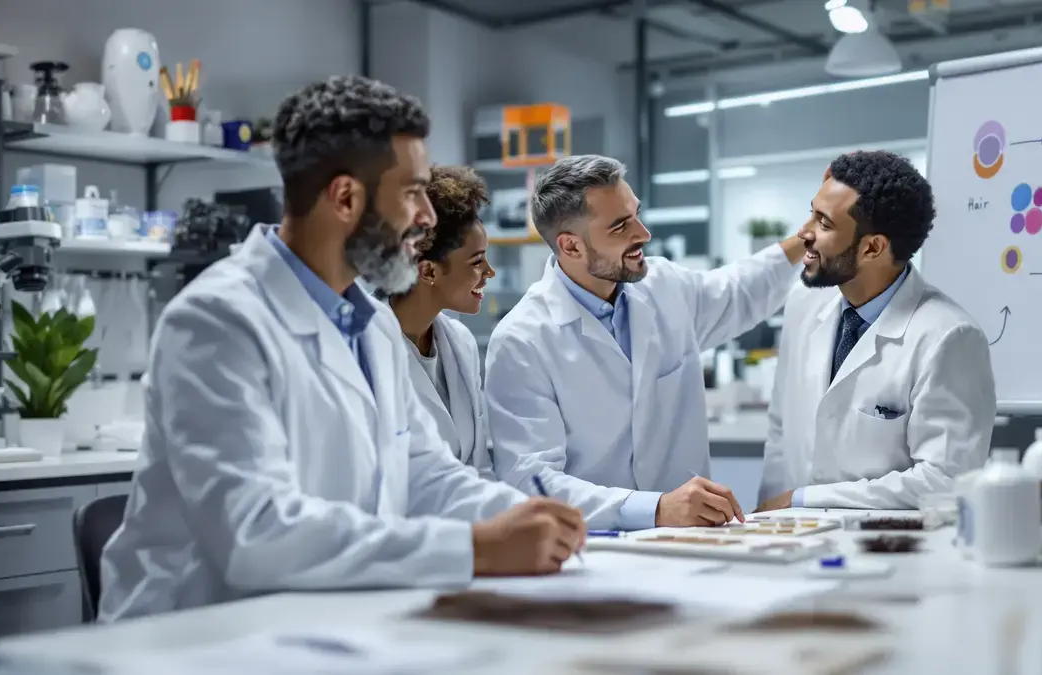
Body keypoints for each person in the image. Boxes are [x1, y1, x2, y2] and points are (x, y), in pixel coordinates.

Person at [98, 76, 585, 622]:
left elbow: (426, 475)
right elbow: (255, 533)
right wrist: (474, 549)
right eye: (411, 192)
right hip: (191, 639)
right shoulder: (217, 321)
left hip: (321, 623)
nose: (426, 216)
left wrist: (531, 519)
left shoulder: (372, 324)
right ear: (346, 197)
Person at [484, 154, 805, 531]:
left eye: (636, 213)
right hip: (596, 551)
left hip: (693, 541)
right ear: (571, 247)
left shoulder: (665, 287)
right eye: (621, 226)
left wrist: (806, 238)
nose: (643, 234)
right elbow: (532, 480)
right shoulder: (522, 340)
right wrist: (654, 509)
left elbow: (740, 290)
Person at [757, 150, 995, 512]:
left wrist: (803, 501)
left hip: (887, 554)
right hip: (790, 547)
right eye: (812, 213)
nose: (803, 233)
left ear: (872, 247)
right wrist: (765, 527)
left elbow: (947, 480)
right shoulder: (803, 307)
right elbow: (780, 434)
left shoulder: (948, 336)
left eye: (823, 223)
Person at [382, 165, 497, 479]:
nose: (490, 272)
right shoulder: (367, 349)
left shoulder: (460, 342)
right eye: (477, 261)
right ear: (429, 272)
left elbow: (479, 468)